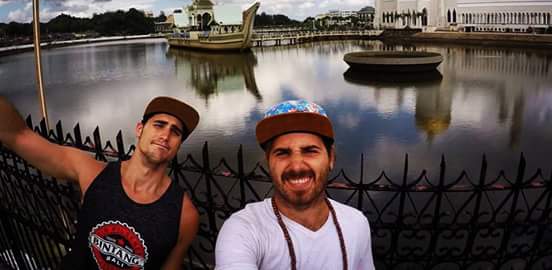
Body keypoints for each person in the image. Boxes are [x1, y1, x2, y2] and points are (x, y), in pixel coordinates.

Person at [0, 95, 200, 269]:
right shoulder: (93, 173)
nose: (165, 135)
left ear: (178, 145)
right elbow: (19, 136)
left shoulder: (185, 215)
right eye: (159, 125)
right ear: (140, 129)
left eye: (175, 132)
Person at [215, 99, 375, 270]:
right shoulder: (244, 230)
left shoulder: (356, 223)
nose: (297, 167)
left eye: (310, 151)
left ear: (331, 158)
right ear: (268, 163)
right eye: (282, 153)